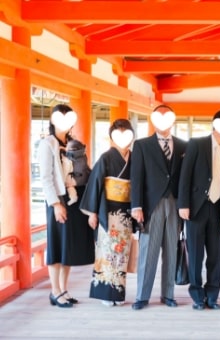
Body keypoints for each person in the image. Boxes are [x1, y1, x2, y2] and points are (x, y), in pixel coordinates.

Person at [178, 108, 220, 311]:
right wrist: (183, 205)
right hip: (195, 208)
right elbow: (185, 176)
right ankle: (197, 296)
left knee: (215, 255)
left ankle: (212, 295)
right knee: (195, 255)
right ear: (214, 123)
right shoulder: (196, 144)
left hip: (218, 209)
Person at [129, 105, 187, 310]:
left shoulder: (183, 145)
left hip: (175, 203)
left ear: (173, 119)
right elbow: (136, 178)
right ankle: (142, 296)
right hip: (150, 205)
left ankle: (168, 294)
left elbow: (185, 179)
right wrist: (136, 206)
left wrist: (185, 204)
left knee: (172, 250)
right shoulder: (142, 145)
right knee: (148, 251)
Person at [38, 104, 95, 308]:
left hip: (75, 199)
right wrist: (55, 204)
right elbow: (46, 178)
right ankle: (54, 291)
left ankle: (63, 289)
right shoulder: (47, 144)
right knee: (57, 246)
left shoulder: (72, 143)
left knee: (67, 248)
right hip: (59, 200)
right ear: (53, 120)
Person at [80, 119, 136, 307]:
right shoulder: (105, 157)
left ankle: (117, 294)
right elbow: (95, 183)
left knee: (120, 254)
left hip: (125, 213)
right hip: (108, 211)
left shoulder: (135, 158)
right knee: (106, 252)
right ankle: (105, 293)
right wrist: (92, 213)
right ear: (112, 137)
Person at [61, 139, 91, 206]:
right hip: (82, 179)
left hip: (75, 179)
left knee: (69, 187)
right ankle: (73, 197)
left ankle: (73, 197)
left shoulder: (71, 157)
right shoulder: (83, 156)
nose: (66, 150)